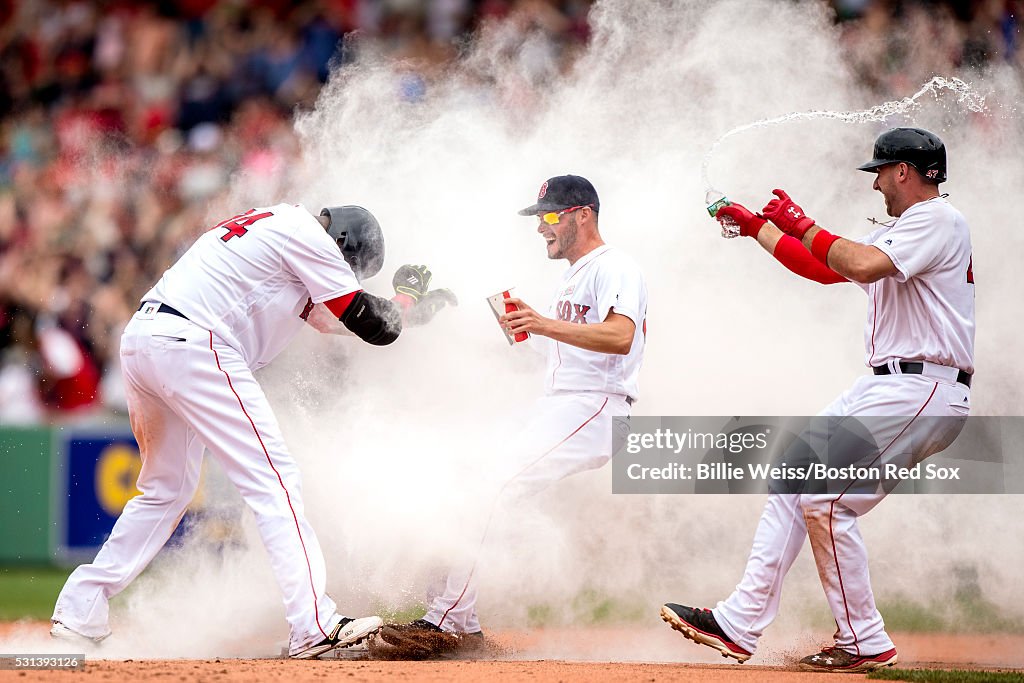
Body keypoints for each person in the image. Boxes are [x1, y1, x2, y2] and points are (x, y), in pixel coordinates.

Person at [50, 203, 455, 659]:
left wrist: (409, 311)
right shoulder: (311, 237)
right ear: (341, 242)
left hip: (146, 338)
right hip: (197, 344)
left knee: (166, 490)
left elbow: (338, 320)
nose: (344, 275)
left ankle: (79, 610)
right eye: (349, 267)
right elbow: (370, 323)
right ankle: (314, 625)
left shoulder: (281, 225)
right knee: (276, 481)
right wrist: (402, 301)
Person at [661, 128, 975, 672]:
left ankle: (865, 640)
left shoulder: (937, 218)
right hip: (890, 385)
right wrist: (760, 228)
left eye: (880, 171)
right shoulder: (908, 230)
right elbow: (825, 267)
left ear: (905, 170)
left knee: (826, 500)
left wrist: (804, 223)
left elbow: (857, 263)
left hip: (920, 387)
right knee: (793, 476)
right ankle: (740, 623)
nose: (875, 182)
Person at [379, 174, 648, 656]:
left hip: (599, 406)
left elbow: (621, 336)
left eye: (549, 216)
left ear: (582, 214)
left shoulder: (615, 266)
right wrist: (525, 332)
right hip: (562, 400)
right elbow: (567, 350)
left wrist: (544, 323)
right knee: (463, 476)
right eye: (538, 218)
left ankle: (446, 623)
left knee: (491, 484)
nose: (541, 227)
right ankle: (458, 619)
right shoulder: (571, 274)